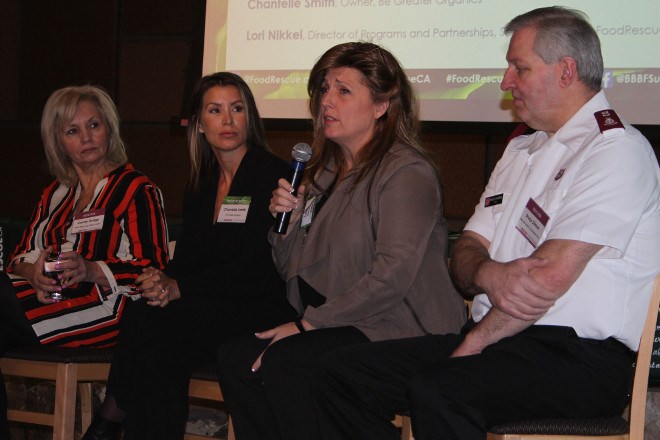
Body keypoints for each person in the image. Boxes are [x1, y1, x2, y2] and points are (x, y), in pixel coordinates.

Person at [312, 7, 660, 440]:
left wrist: (474, 343)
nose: (505, 81)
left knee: (441, 389)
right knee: (337, 372)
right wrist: (488, 273)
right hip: (499, 340)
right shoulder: (521, 150)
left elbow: (546, 280)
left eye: (520, 68)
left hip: (575, 358)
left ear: (566, 71)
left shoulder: (616, 150)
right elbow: (466, 249)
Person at [215, 42, 467, 440]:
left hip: (403, 327)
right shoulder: (322, 173)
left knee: (289, 361)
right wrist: (288, 224)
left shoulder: (406, 173)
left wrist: (309, 324)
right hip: (344, 321)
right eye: (322, 89)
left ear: (381, 105)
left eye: (343, 91)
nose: (326, 101)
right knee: (236, 359)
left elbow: (391, 277)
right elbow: (291, 272)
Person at [81, 72, 298, 440]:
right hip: (210, 305)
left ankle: (108, 421)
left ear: (250, 118)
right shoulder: (202, 181)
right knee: (152, 331)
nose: (228, 120)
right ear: (198, 124)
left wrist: (180, 287)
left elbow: (259, 267)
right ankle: (112, 423)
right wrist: (160, 280)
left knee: (157, 328)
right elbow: (192, 260)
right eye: (215, 110)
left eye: (237, 109)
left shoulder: (273, 176)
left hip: (260, 305)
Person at [0, 85, 169, 433]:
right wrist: (33, 273)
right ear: (58, 141)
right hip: (47, 299)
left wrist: (91, 269)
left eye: (94, 125)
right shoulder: (56, 193)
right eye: (73, 131)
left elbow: (153, 268)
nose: (87, 137)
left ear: (109, 127)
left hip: (108, 310)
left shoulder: (136, 189)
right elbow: (17, 256)